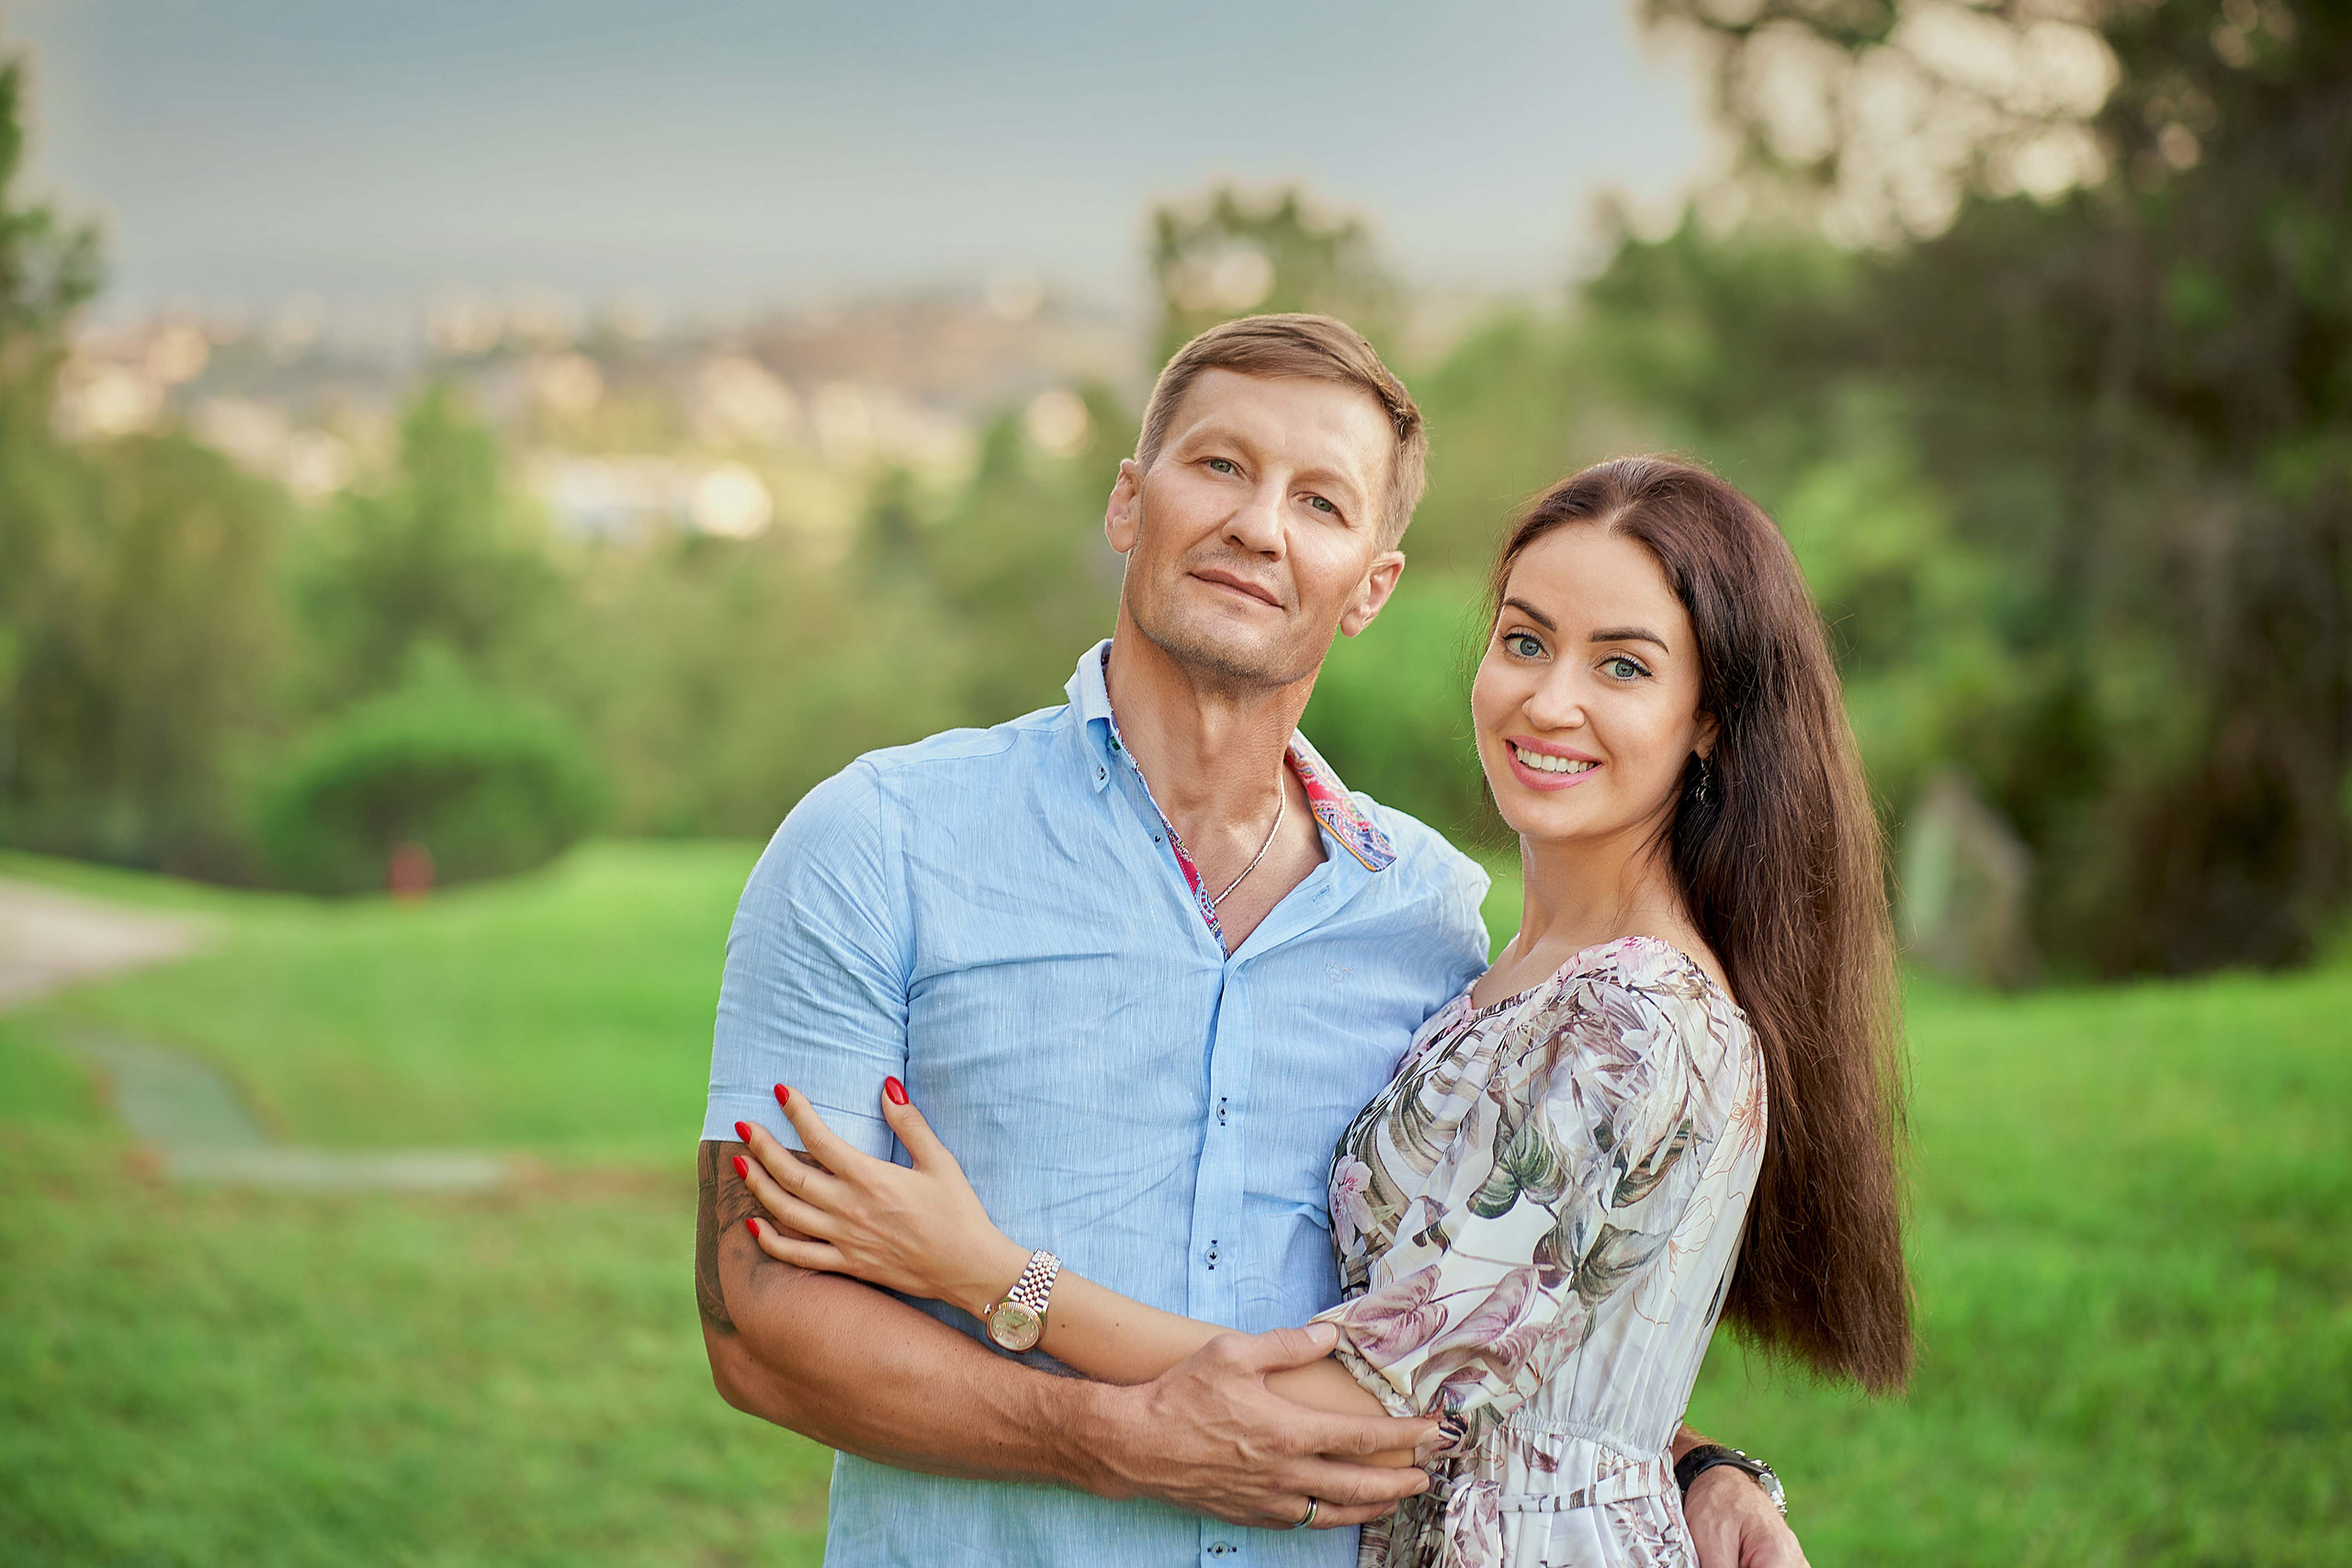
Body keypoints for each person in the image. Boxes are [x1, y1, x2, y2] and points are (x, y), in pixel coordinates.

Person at [697, 316, 1823, 1566]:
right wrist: (1112, 1438)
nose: (1258, 525)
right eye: (1220, 467)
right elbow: (756, 1321)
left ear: (1372, 586)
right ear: (1129, 503)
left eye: (1322, 501)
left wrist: (1681, 1463)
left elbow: (1460, 1339)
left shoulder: (1431, 915)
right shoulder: (882, 843)